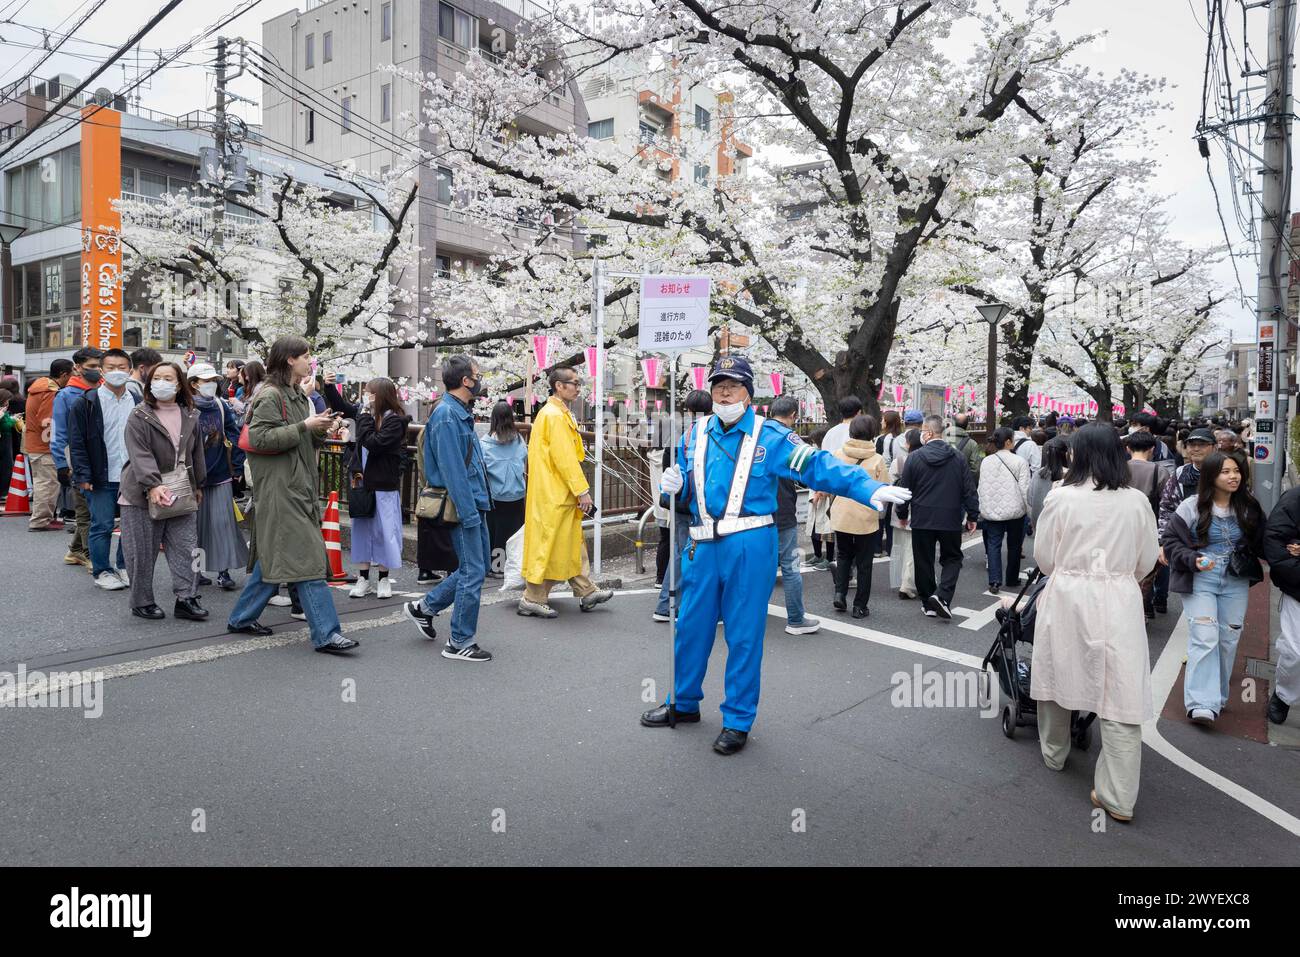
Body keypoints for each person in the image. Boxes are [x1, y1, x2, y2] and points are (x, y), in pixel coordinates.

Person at [642, 356, 910, 755]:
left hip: (749, 546)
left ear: (748, 392)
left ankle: (736, 719)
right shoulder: (693, 435)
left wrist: (864, 488)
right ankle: (683, 702)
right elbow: (682, 491)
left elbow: (816, 465)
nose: (724, 392)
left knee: (744, 634)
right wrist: (673, 486)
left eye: (733, 386)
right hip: (701, 545)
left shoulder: (772, 437)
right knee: (691, 627)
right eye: (719, 386)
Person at [1030, 423, 1159, 823]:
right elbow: (1147, 559)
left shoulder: (1061, 497)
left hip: (1068, 593)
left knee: (1056, 671)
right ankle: (1118, 796)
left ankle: (1054, 753)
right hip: (1119, 596)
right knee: (1120, 692)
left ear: (1077, 455)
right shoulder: (1136, 501)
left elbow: (1045, 557)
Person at [226, 336, 357, 653]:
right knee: (309, 561)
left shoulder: (295, 394)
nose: (309, 360)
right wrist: (305, 427)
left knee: (274, 557)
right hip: (282, 490)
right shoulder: (271, 396)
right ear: (289, 359)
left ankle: (242, 618)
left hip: (297, 487)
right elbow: (259, 439)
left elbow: (301, 440)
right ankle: (326, 633)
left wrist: (318, 429)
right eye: (306, 355)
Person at [402, 355, 494, 662]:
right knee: (472, 572)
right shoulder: (447, 416)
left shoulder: (456, 412)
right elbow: (454, 470)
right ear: (466, 381)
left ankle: (423, 608)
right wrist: (469, 513)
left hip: (472, 502)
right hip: (463, 505)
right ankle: (458, 641)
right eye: (477, 376)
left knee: (474, 569)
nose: (480, 380)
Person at [1162, 452, 1264, 726]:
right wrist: (1193, 559)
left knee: (1228, 639)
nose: (1233, 476)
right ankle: (1201, 704)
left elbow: (1264, 540)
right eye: (1225, 472)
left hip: (1235, 580)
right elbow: (1171, 542)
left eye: (1236, 471)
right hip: (1201, 580)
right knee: (1205, 636)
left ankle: (1216, 698)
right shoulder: (1191, 506)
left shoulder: (1248, 507)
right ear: (1211, 476)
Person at [517, 367, 613, 618]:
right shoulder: (555, 416)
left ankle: (586, 589)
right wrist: (582, 490)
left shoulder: (555, 413)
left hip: (556, 489)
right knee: (551, 544)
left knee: (570, 541)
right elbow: (565, 458)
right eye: (574, 383)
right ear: (559, 386)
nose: (578, 387)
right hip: (556, 490)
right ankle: (532, 597)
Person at [117, 363, 209, 621]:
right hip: (141, 494)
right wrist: (153, 484)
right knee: (140, 553)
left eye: (168, 378)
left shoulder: (191, 414)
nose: (161, 382)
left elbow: (196, 453)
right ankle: (142, 601)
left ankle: (187, 597)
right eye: (156, 378)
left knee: (188, 548)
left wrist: (198, 484)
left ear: (179, 384)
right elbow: (139, 453)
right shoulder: (139, 415)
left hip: (181, 490)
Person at [895, 415, 979, 620]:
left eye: (923, 429)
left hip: (922, 516)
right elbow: (969, 489)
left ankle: (928, 602)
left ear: (929, 433)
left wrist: (902, 513)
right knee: (952, 558)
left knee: (923, 559)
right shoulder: (957, 457)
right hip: (950, 516)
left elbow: (905, 489)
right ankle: (942, 595)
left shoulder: (914, 457)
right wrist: (973, 514)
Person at [68, 348, 139, 591]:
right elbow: (76, 442)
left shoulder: (138, 402)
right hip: (100, 475)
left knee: (131, 526)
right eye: (111, 367)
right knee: (102, 525)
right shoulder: (85, 402)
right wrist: (83, 474)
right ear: (101, 370)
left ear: (130, 370)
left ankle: (124, 566)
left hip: (132, 474)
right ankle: (102, 571)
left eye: (121, 367)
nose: (116, 372)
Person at [341, 377, 411, 599]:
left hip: (383, 485)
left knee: (384, 532)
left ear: (380, 395)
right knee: (362, 531)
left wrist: (363, 416)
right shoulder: (370, 416)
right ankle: (363, 578)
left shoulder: (396, 420)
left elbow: (374, 442)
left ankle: (383, 579)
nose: (366, 397)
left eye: (370, 393)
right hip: (363, 483)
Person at [653, 390, 712, 624]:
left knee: (679, 553)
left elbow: (668, 467)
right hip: (698, 505)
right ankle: (678, 605)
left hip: (679, 503)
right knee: (693, 555)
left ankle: (665, 605)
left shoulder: (677, 433)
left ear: (687, 409)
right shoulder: (708, 433)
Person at [187, 363, 248, 591]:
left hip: (221, 474)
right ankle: (197, 572)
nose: (211, 384)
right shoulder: (185, 408)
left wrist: (238, 468)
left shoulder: (221, 407)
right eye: (206, 381)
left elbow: (235, 435)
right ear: (193, 384)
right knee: (193, 529)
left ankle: (223, 572)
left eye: (214, 380)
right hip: (193, 480)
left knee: (223, 524)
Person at [830, 414, 890, 618]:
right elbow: (884, 489)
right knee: (864, 563)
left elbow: (831, 482)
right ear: (872, 433)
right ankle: (859, 606)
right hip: (865, 516)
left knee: (843, 555)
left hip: (841, 512)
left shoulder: (839, 453)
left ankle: (840, 593)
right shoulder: (877, 459)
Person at [769, 395, 819, 634]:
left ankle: (745, 617)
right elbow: (806, 472)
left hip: (756, 512)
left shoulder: (758, 436)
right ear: (793, 417)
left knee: (756, 567)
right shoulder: (792, 440)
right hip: (784, 510)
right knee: (790, 566)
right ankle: (796, 620)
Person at [1155, 427, 1217, 616]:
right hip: (1187, 542)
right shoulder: (1181, 474)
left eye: (1202, 445)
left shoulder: (1224, 470)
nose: (1195, 449)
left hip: (1218, 541)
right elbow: (1167, 508)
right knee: (1194, 592)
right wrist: (1163, 542)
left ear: (1214, 447)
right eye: (1192, 444)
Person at [52, 348, 103, 570]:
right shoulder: (65, 395)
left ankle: (75, 550)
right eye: (91, 366)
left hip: (102, 460)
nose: (96, 370)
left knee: (95, 510)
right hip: (77, 461)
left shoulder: (105, 390)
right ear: (78, 367)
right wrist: (63, 465)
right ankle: (91, 555)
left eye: (98, 366)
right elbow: (59, 433)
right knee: (87, 511)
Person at [978, 426, 1031, 593]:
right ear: (1008, 442)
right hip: (1015, 510)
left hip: (993, 511)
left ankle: (994, 581)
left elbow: (982, 487)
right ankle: (1012, 578)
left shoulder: (986, 461)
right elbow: (1025, 489)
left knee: (993, 544)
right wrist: (1030, 511)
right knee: (1014, 545)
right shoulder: (1020, 462)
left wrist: (983, 507)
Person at [1263, 488, 1300, 725]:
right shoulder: (1295, 499)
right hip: (1298, 588)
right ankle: (1283, 696)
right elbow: (1275, 541)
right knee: (1296, 652)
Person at [481, 400, 529, 579]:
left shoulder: (485, 444)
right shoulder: (518, 440)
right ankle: (514, 565)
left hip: (495, 496)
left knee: (496, 533)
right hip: (516, 494)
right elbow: (523, 457)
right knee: (515, 533)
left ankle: (497, 567)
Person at [23, 360, 72, 532]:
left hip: (35, 444)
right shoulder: (50, 392)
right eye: (71, 374)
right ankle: (41, 520)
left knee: (43, 483)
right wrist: (56, 443)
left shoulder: (38, 388)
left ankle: (44, 517)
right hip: (44, 447)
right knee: (48, 484)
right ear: (64, 374)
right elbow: (47, 421)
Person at [889, 427, 922, 600]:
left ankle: (900, 580)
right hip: (917, 511)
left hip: (898, 509)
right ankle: (907, 584)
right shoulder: (924, 461)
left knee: (899, 547)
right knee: (911, 549)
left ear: (907, 443)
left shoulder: (899, 461)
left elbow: (889, 485)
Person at [804, 428, 836, 571]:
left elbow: (832, 478)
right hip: (815, 494)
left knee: (827, 531)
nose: (813, 445)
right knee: (814, 528)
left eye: (815, 442)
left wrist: (821, 491)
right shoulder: (816, 455)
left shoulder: (831, 456)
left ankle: (829, 559)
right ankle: (817, 555)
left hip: (826, 497)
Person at [875, 410, 905, 557]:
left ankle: (877, 548)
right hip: (899, 480)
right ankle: (891, 547)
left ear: (887, 422)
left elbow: (881, 460)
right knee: (891, 515)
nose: (881, 422)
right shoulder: (903, 439)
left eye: (882, 420)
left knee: (880, 513)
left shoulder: (882, 439)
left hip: (885, 479)